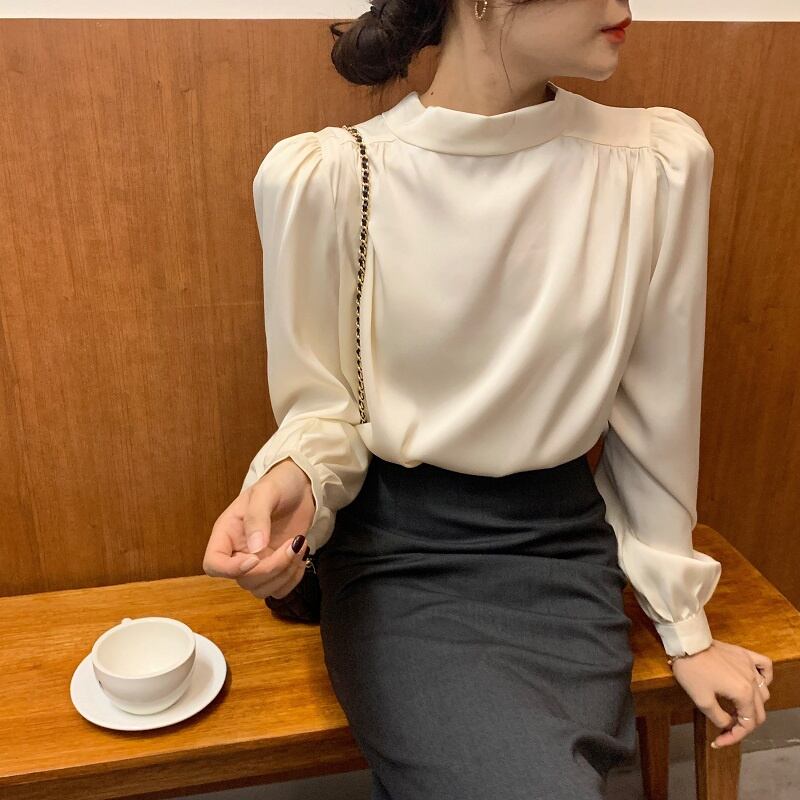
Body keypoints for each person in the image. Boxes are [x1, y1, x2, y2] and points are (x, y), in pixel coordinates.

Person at [203, 1, 773, 797]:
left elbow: (657, 416)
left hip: (561, 546)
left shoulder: (651, 163)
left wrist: (684, 628)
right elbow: (327, 410)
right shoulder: (332, 176)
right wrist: (292, 479)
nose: (624, 9)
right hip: (398, 555)